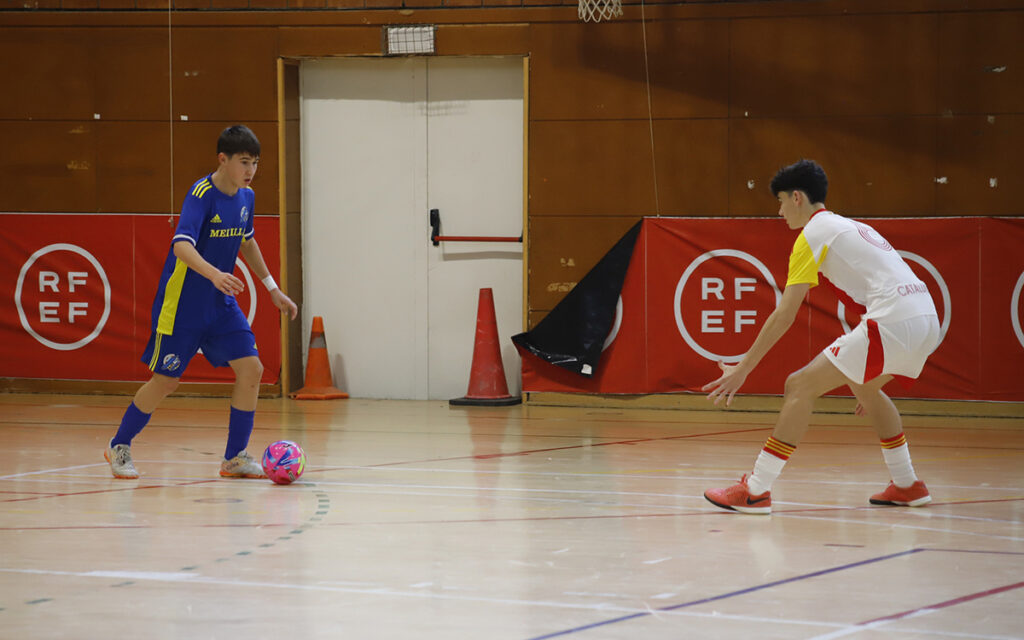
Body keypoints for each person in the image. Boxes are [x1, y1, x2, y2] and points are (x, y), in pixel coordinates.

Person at [702, 159, 940, 514]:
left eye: (781, 201)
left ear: (797, 197)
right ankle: (907, 484)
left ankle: (755, 490)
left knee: (798, 385)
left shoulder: (811, 235)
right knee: (866, 388)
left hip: (895, 320)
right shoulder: (849, 225)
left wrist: (743, 368)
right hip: (927, 319)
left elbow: (785, 314)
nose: (780, 211)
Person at [104, 125, 298, 480]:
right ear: (223, 159)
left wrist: (272, 288)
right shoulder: (201, 194)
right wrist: (214, 274)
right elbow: (181, 245)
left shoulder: (247, 197)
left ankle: (234, 458)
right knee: (166, 380)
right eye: (244, 162)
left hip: (220, 306)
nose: (251, 170)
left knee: (252, 369)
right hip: (183, 306)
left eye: (255, 162)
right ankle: (119, 444)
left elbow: (247, 241)